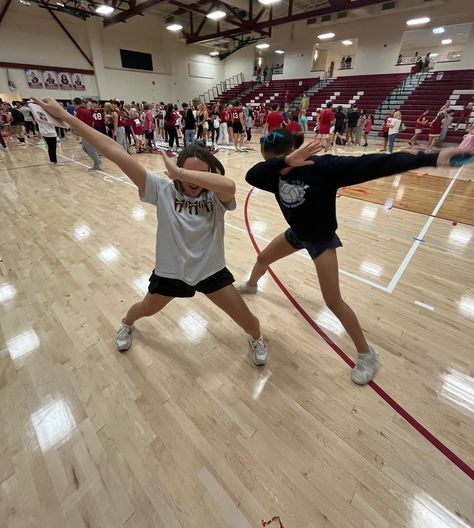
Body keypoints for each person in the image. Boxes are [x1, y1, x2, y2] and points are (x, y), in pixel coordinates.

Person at [33, 96, 268, 366]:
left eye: (198, 175)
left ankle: (256, 337)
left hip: (210, 270)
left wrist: (182, 172)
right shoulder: (161, 188)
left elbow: (228, 185)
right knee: (144, 309)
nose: (192, 182)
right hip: (171, 273)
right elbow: (114, 150)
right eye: (186, 173)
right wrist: (65, 115)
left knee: (248, 320)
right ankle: (126, 323)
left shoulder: (216, 194)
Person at [236, 130, 471, 384]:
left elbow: (377, 163)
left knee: (333, 301)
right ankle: (251, 285)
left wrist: (432, 158)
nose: (277, 166)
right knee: (263, 259)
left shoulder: (324, 167)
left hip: (321, 241)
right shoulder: (272, 173)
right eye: (274, 162)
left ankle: (367, 353)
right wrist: (283, 164)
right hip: (295, 234)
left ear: (295, 149)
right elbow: (252, 175)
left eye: (280, 159)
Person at [73, 97, 101, 171]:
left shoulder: (80, 111)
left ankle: (97, 164)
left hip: (86, 132)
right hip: (89, 130)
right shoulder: (86, 110)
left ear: (74, 103)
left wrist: (77, 133)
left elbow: (80, 124)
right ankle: (97, 161)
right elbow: (92, 122)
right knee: (85, 148)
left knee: (89, 149)